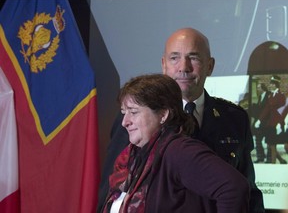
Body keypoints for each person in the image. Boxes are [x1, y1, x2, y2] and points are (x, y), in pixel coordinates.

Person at [97, 28, 265, 212]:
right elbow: (111, 191)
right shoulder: (136, 120)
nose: (183, 67)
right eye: (174, 58)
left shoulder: (233, 118)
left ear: (210, 65)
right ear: (164, 65)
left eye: (193, 58)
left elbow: (248, 190)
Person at [101, 74, 249, 213]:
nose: (124, 122)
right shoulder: (133, 155)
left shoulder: (179, 150)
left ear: (163, 115)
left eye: (133, 112)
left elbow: (234, 188)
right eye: (123, 112)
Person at [255, 75, 287, 164]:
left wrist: (280, 124)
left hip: (277, 125)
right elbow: (267, 109)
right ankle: (281, 160)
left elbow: (282, 111)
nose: (270, 86)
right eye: (270, 84)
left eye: (272, 84)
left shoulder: (281, 96)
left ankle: (273, 164)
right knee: (269, 144)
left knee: (273, 145)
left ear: (276, 84)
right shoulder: (271, 96)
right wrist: (259, 120)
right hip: (270, 124)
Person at [251, 83, 270, 163]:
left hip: (267, 122)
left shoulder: (268, 96)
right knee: (258, 140)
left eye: (259, 88)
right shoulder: (260, 97)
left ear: (263, 88)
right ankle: (260, 157)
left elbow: (268, 109)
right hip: (259, 123)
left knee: (269, 141)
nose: (258, 89)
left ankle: (269, 158)